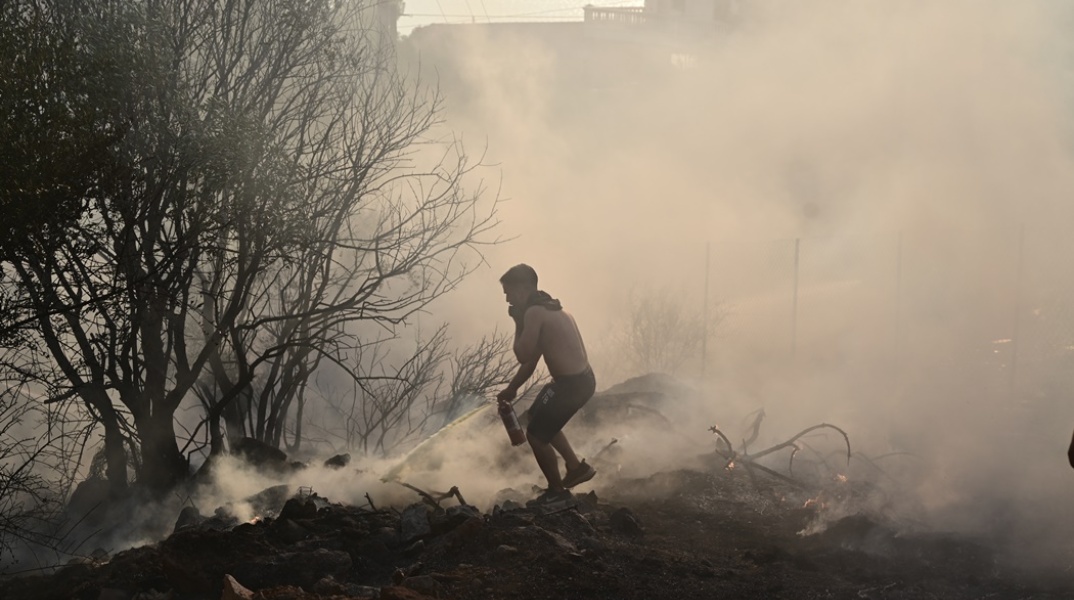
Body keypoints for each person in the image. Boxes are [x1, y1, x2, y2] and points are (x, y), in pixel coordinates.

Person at [497, 264, 597, 503]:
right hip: (579, 381)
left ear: (523, 288)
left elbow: (522, 353)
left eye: (509, 293)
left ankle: (557, 492)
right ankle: (576, 468)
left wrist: (517, 323)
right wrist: (512, 389)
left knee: (536, 436)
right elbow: (531, 361)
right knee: (536, 418)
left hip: (571, 385)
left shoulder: (533, 313)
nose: (508, 300)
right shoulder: (552, 309)